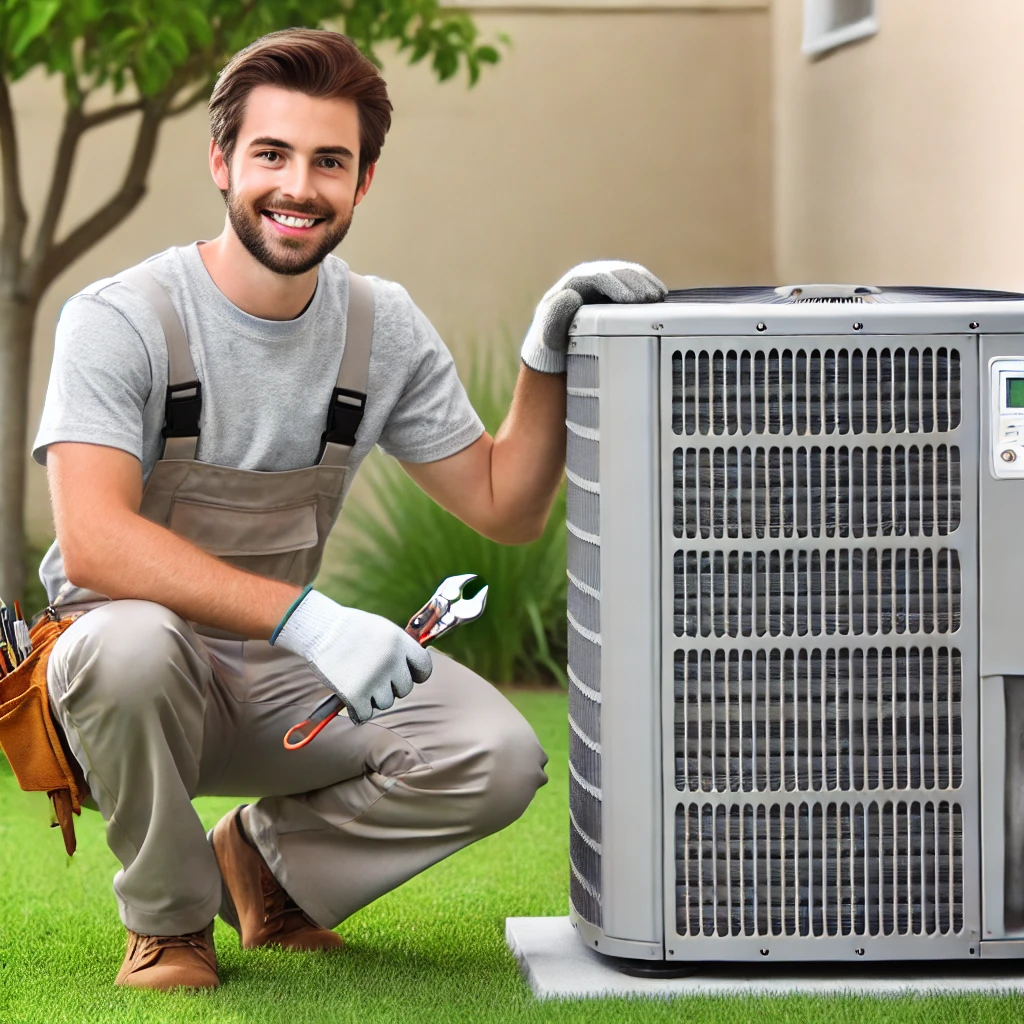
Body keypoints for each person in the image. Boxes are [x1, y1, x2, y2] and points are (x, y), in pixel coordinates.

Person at [31, 27, 666, 991]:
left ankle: (265, 869)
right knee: (131, 646)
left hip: (286, 677)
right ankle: (170, 922)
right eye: (271, 155)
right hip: (133, 679)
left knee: (494, 757)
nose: (299, 187)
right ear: (221, 162)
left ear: (364, 181)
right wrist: (312, 618)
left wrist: (548, 354)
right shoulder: (122, 320)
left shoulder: (379, 328)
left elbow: (504, 506)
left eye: (331, 161)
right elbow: (96, 540)